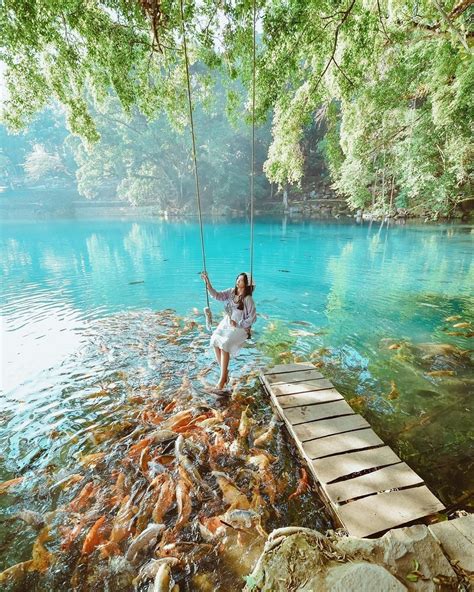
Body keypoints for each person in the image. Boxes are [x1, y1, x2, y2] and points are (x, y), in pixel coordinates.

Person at [200, 271, 256, 391]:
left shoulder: (248, 299)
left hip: (241, 327)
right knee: (214, 339)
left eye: (241, 280)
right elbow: (217, 295)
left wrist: (239, 324)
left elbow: (252, 318)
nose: (237, 281)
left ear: (246, 284)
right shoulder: (231, 292)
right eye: (237, 279)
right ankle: (224, 374)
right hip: (228, 322)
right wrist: (208, 284)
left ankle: (222, 380)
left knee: (225, 344)